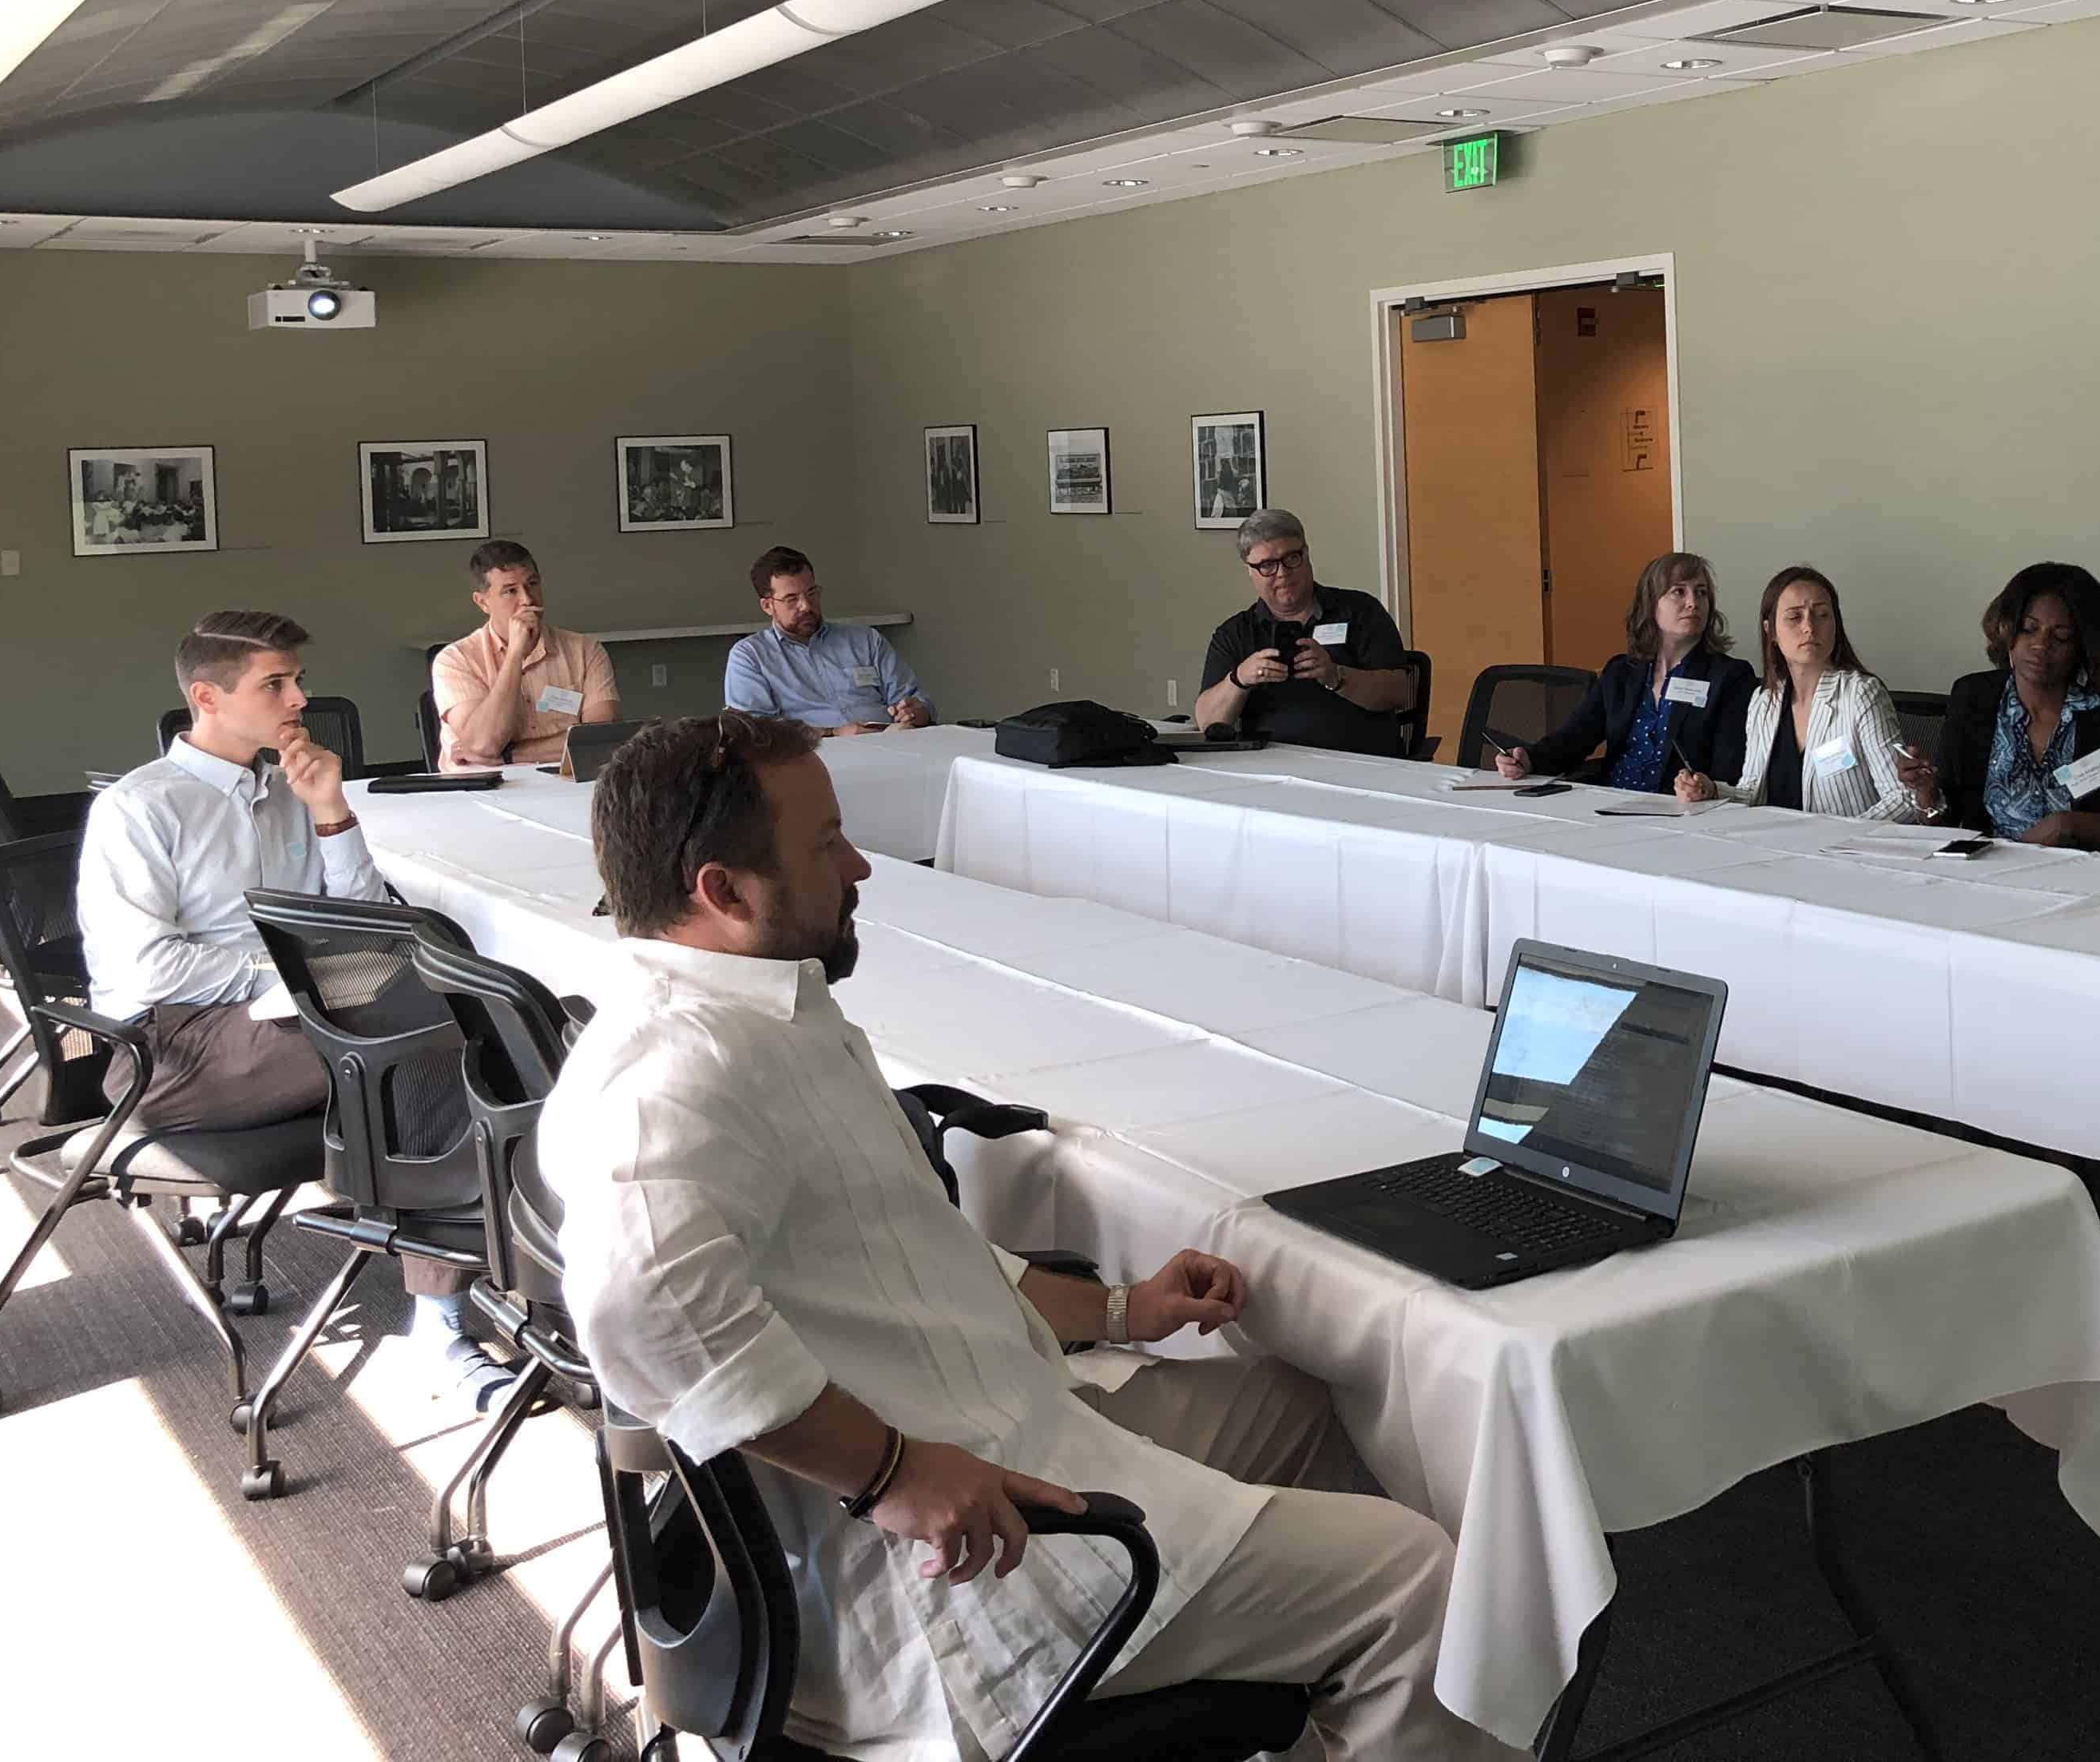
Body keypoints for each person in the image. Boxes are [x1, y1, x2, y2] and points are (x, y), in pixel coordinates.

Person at [539, 715, 1514, 1762]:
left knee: (1317, 1405)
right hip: (966, 1568)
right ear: (724, 892)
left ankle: (1312, 1697)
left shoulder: (750, 1015)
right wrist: (892, 1473)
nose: (860, 865)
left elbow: (908, 1259)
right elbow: (635, 1305)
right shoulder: (680, 1073)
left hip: (1011, 1425)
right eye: (826, 844)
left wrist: (1121, 1311)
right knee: (1418, 1586)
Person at [75, 609, 505, 1396]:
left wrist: (331, 811)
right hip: (171, 1048)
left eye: (298, 680)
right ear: (207, 697)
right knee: (430, 1047)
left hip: (281, 1015)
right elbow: (148, 967)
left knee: (468, 1014)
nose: (300, 698)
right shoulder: (141, 808)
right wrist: (296, 976)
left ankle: (489, 1262)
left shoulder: (287, 791)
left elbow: (360, 922)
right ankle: (441, 1324)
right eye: (275, 684)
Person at [1939, 563, 2100, 853]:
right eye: (2028, 629)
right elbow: (1948, 817)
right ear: (2006, 632)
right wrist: (1928, 796)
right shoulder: (1973, 696)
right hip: (1988, 869)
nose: (2041, 645)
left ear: (2085, 645)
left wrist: (2074, 826)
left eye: (2061, 636)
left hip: (2087, 870)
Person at [1686, 566, 1936, 820]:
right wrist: (1713, 791)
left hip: (1848, 844)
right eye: (1795, 617)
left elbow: (1901, 798)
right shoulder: (1764, 701)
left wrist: (1842, 836)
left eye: (1822, 615)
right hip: (1776, 841)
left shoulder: (1861, 694)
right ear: (1770, 631)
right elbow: (1753, 791)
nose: (1809, 627)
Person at [1496, 552, 1754, 793]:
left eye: (1701, 593)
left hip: (1679, 809)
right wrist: (1528, 759)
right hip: (1610, 800)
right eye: (1679, 592)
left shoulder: (1730, 677)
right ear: (1651, 603)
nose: (1693, 603)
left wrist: (1708, 787)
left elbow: (1730, 766)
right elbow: (1574, 738)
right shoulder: (1621, 672)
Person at [1193, 510, 1417, 756]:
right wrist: (1240, 679)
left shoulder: (1361, 611)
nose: (1282, 573)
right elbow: (1208, 722)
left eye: (1291, 558)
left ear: (1307, 555)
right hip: (1270, 766)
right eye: (1267, 565)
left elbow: (1397, 693)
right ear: (1250, 571)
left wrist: (1336, 676)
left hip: (1362, 762)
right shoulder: (1235, 633)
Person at [431, 538, 617, 771]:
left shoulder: (586, 650)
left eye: (532, 584)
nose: (528, 600)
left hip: (563, 781)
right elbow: (483, 746)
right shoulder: (454, 660)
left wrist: (511, 755)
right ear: (483, 603)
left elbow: (599, 741)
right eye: (510, 591)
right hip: (483, 785)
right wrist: (515, 655)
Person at [726, 545, 931, 733]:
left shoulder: (866, 640)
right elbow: (754, 733)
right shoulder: (750, 656)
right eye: (792, 599)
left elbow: (915, 699)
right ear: (768, 606)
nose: (806, 606)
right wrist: (833, 733)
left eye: (811, 593)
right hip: (811, 754)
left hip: (890, 742)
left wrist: (917, 711)